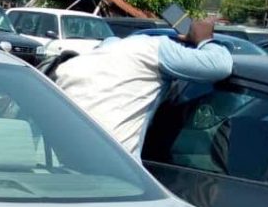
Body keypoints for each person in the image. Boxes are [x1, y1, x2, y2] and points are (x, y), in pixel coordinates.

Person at [53, 19, 233, 159]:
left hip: (67, 168)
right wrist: (204, 40)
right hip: (114, 174)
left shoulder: (78, 65)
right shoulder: (153, 48)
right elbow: (221, 65)